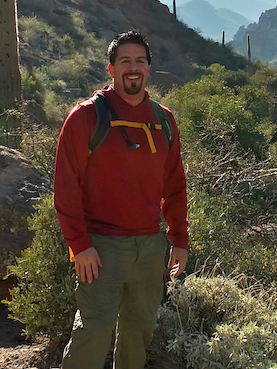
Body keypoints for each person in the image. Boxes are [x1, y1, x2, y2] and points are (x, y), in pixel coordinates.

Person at [54, 30, 188, 369]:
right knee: (93, 332)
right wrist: (79, 245)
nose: (133, 67)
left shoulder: (163, 120)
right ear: (111, 69)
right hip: (100, 248)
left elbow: (174, 185)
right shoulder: (86, 116)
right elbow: (66, 186)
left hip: (150, 248)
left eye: (140, 61)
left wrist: (179, 240)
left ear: (148, 69)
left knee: (139, 330)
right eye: (125, 61)